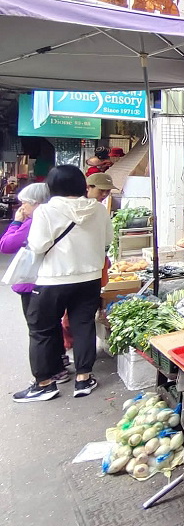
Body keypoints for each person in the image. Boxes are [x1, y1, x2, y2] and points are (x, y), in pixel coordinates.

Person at [13, 165, 112, 402]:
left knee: (42, 330)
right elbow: (107, 240)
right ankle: (84, 378)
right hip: (89, 278)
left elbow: (37, 246)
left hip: (54, 279)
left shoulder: (45, 211)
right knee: (83, 326)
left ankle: (44, 383)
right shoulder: (98, 209)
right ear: (81, 185)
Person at [0, 183, 72, 383]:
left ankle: (50, 373)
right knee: (51, 324)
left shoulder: (34, 222)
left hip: (34, 282)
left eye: (25, 203)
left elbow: (6, 245)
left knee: (40, 329)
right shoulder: (58, 217)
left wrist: (15, 223)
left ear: (37, 203)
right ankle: (59, 360)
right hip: (54, 279)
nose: (22, 208)